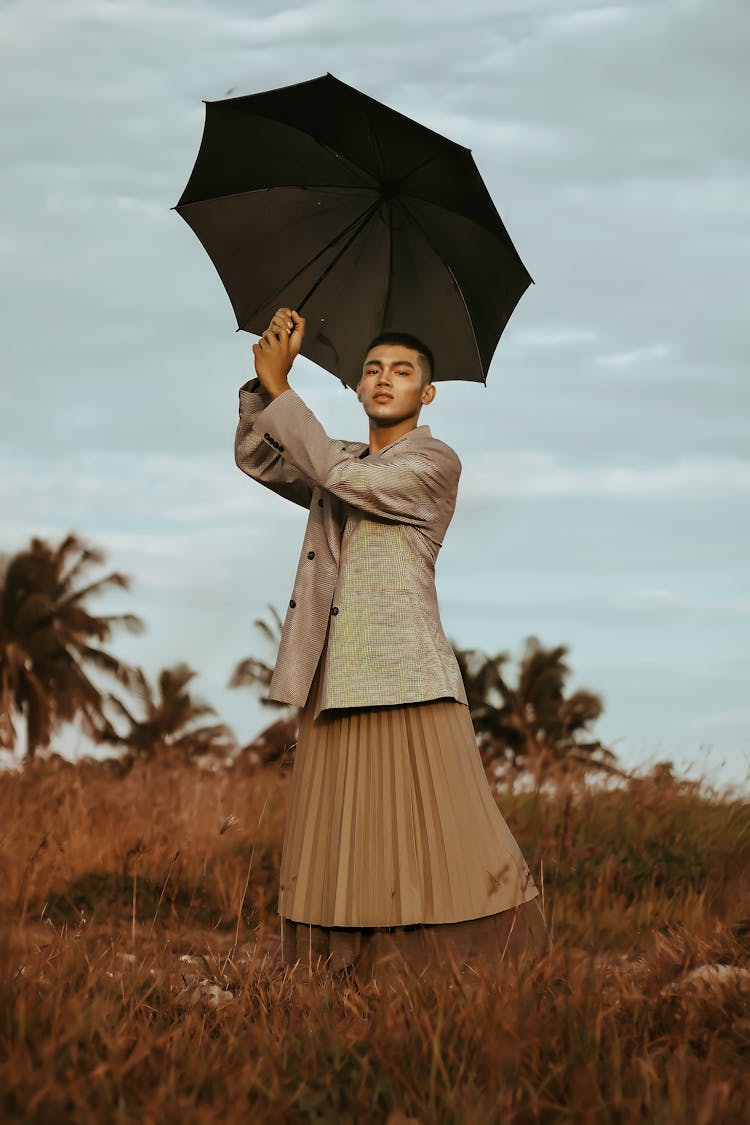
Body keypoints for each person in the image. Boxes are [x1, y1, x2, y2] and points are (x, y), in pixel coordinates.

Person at [234, 306, 549, 979]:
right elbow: (259, 457)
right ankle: (340, 970)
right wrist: (263, 386)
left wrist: (285, 390)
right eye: (373, 369)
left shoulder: (434, 462)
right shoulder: (337, 456)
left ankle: (480, 962)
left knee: (443, 823)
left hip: (406, 671)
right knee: (339, 833)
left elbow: (348, 482)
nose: (384, 379)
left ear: (425, 393)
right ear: (354, 386)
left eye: (401, 371)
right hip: (333, 674)